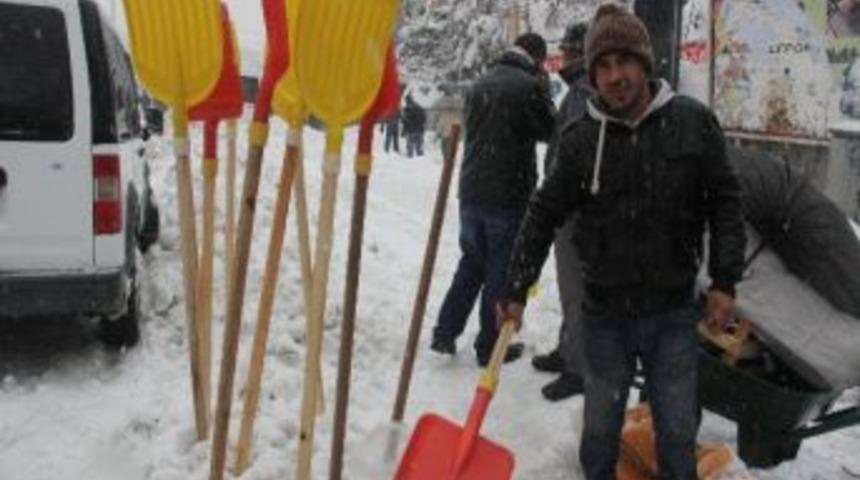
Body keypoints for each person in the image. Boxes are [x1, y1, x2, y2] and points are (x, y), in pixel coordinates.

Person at [496, 5, 745, 479]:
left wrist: (725, 279)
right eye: (603, 66)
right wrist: (515, 287)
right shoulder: (579, 139)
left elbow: (726, 202)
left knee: (675, 431)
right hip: (605, 315)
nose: (615, 76)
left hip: (673, 311)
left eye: (624, 61)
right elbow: (543, 212)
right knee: (599, 433)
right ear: (592, 75)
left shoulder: (692, 123)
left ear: (645, 63)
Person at [430, 32, 557, 367]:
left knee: (471, 262)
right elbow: (550, 129)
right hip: (508, 195)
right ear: (537, 60)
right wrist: (543, 89)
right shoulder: (529, 87)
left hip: (471, 191)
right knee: (500, 271)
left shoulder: (480, 84)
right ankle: (489, 347)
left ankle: (445, 331)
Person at [530, 22, 591, 402]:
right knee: (569, 288)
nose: (563, 58)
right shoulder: (577, 90)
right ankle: (567, 350)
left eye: (570, 52)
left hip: (577, 209)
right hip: (567, 207)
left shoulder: (584, 92)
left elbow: (579, 154)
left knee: (578, 290)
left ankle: (579, 369)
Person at [430, 85, 463, 157]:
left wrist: (433, 127)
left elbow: (433, 116)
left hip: (444, 130)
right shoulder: (458, 102)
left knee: (445, 150)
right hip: (456, 129)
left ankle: (447, 161)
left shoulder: (438, 102)